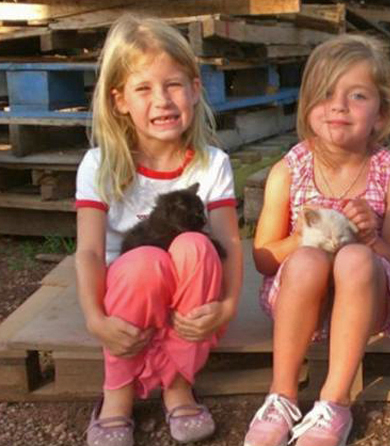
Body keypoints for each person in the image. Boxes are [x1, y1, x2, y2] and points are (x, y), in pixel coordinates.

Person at [243, 34, 390, 446]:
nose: (339, 106)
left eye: (357, 95)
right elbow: (265, 258)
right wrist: (308, 238)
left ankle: (333, 402)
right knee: (307, 261)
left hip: (365, 308)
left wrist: (371, 238)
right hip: (298, 305)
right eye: (325, 94)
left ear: (380, 113)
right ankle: (282, 394)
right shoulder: (289, 170)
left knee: (356, 259)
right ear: (307, 106)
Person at [75, 15, 242, 446]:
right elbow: (91, 253)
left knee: (196, 245)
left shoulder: (212, 163)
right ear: (119, 101)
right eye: (144, 88)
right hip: (128, 293)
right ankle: (117, 394)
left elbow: (229, 242)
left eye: (173, 85)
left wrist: (226, 307)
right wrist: (96, 320)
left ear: (194, 90)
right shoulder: (101, 165)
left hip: (193, 293)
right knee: (143, 260)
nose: (162, 101)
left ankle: (177, 383)